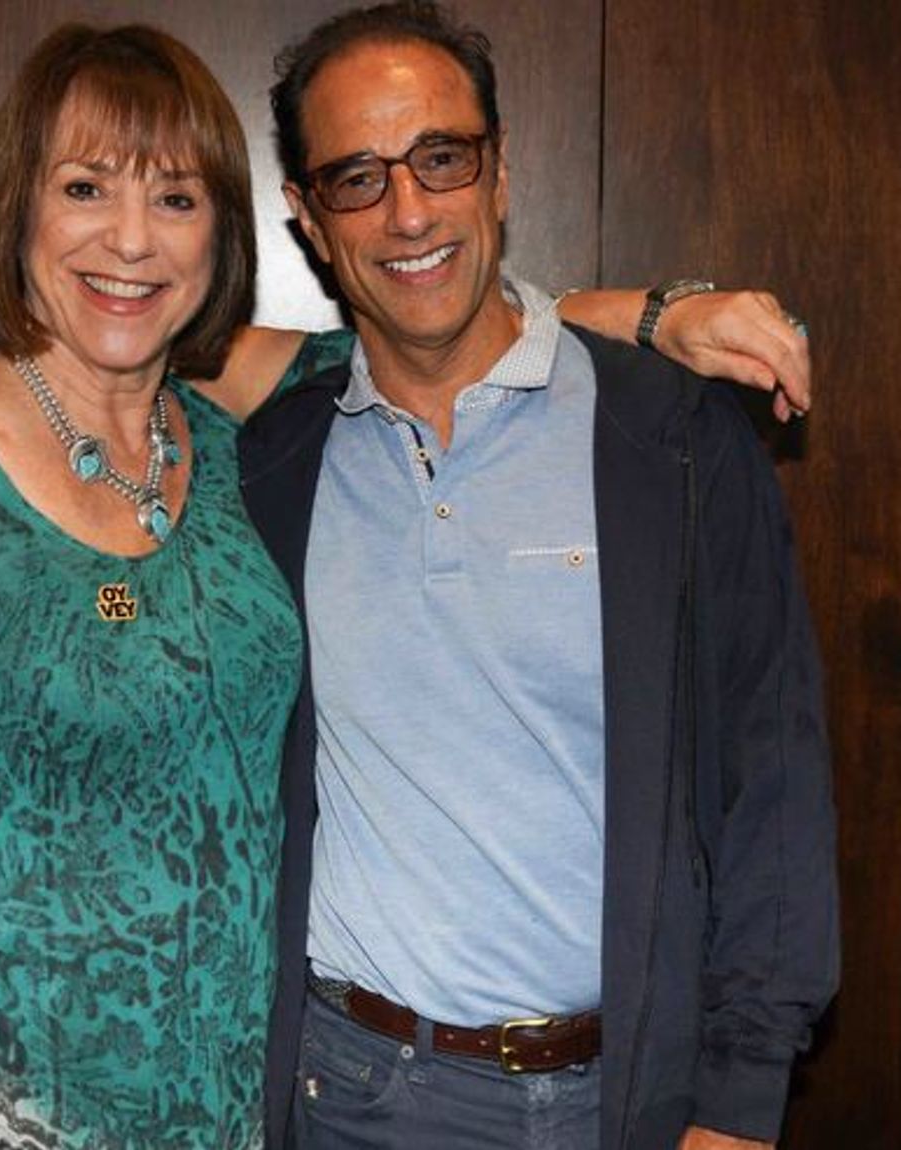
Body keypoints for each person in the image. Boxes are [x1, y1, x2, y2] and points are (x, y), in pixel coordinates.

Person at [0, 17, 817, 1150]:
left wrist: (642, 315)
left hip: (239, 1104)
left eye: (174, 199)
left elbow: (429, 331)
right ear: (16, 209)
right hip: (18, 1109)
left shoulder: (219, 444)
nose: (130, 240)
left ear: (225, 231)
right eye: (83, 188)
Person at [238, 4, 838, 1150]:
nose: (407, 210)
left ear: (499, 172)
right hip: (351, 1095)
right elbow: (110, 332)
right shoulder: (276, 459)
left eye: (441, 158)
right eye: (356, 179)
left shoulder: (669, 438)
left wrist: (737, 1105)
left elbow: (770, 782)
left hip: (626, 1098)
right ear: (308, 222)